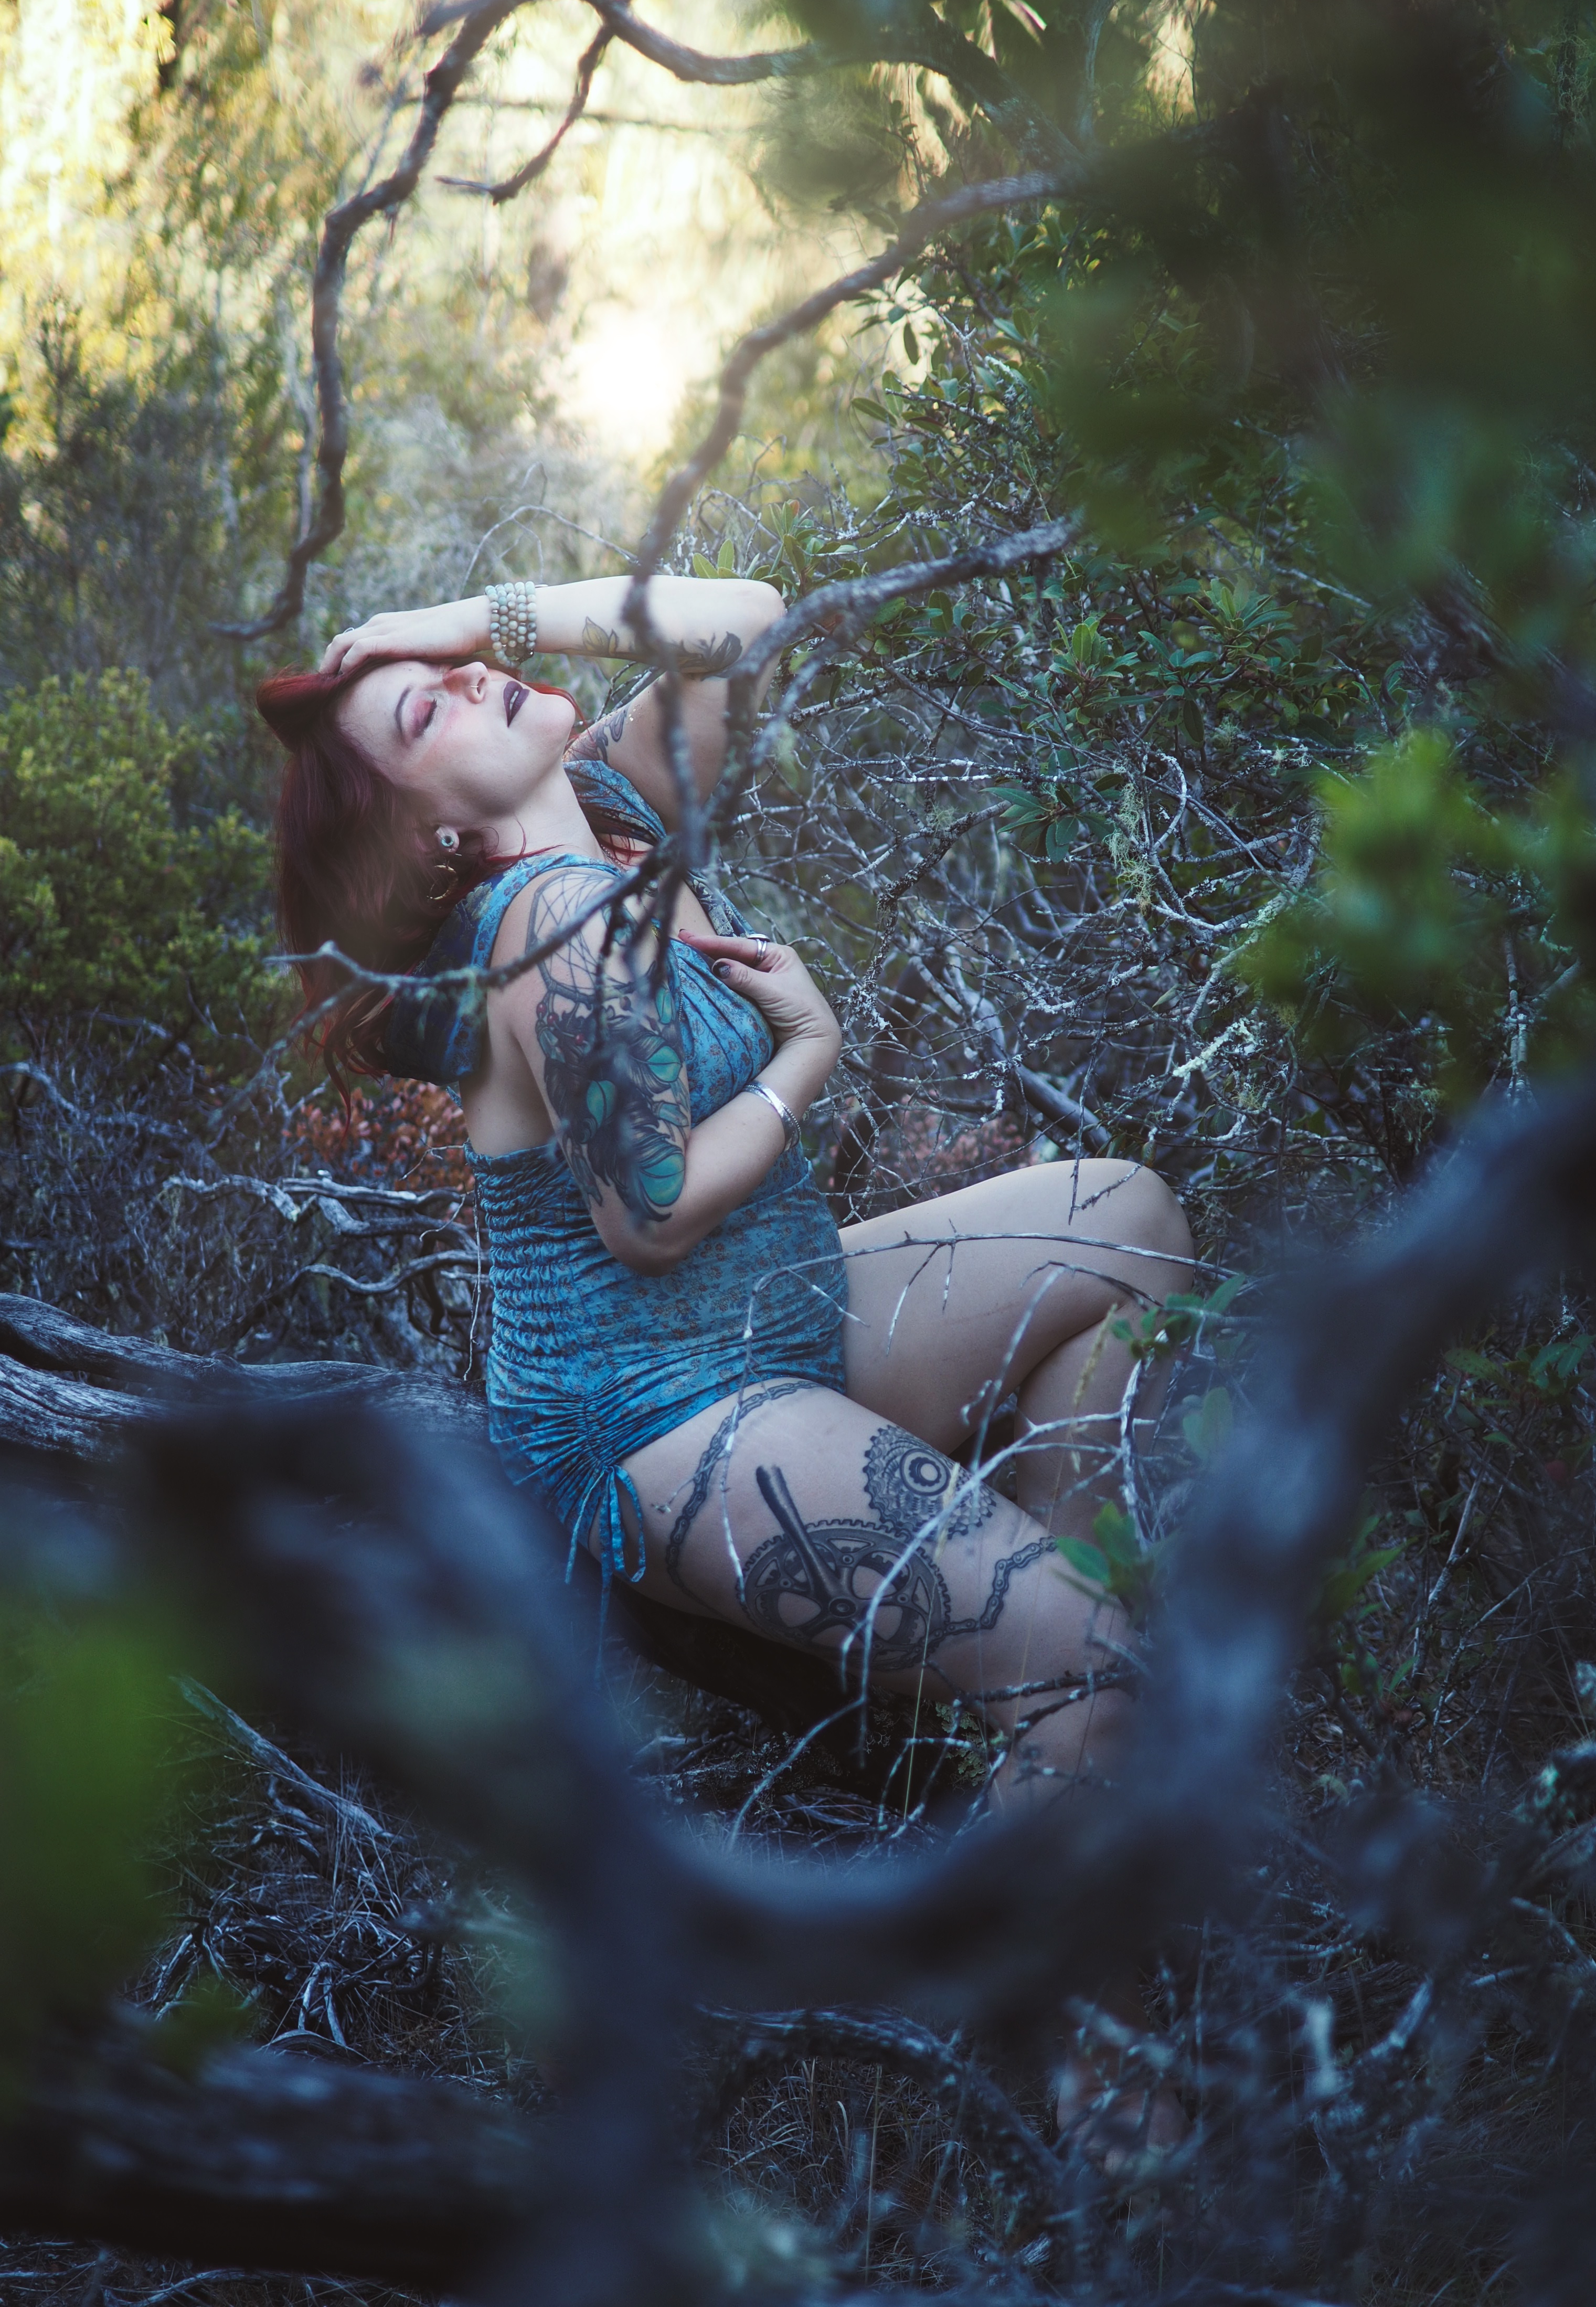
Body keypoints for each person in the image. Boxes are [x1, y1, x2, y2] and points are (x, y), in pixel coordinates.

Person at [257, 570, 1195, 2159]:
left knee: (1128, 1223)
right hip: (656, 1414)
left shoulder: (604, 807)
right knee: (1094, 1659)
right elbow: (651, 1211)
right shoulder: (543, 920)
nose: (470, 678)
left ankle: (1033, 1711)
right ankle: (1073, 2066)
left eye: (458, 665)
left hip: (782, 1317)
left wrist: (474, 618)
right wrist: (809, 1055)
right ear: (432, 841)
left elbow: (745, 619)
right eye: (429, 711)